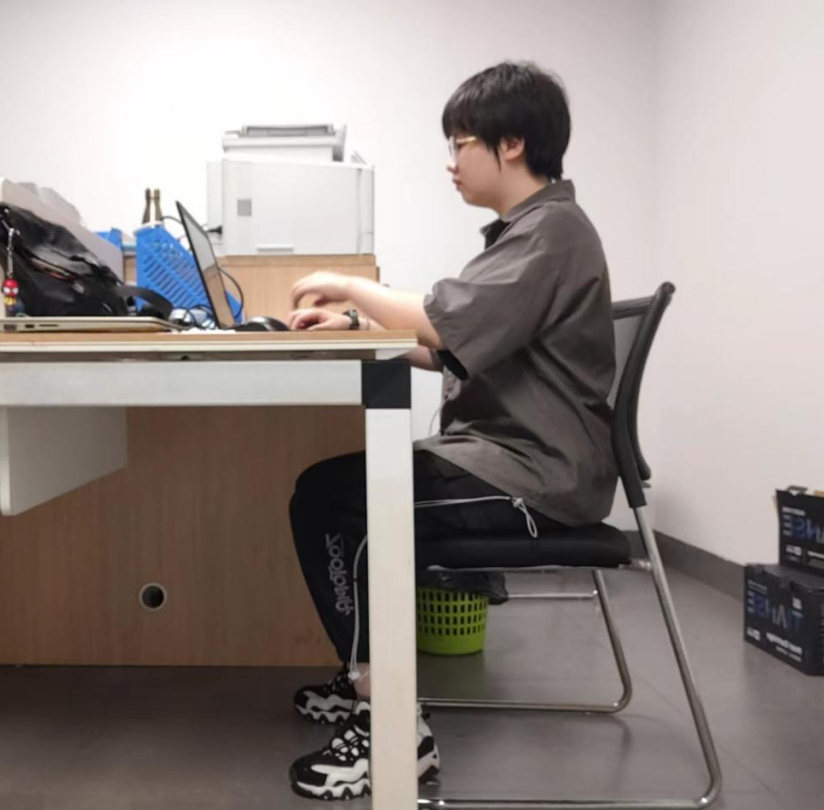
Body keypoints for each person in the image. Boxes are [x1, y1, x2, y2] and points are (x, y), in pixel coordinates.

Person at [284, 61, 618, 801]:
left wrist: (352, 286)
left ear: (511, 143)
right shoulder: (531, 233)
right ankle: (369, 679)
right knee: (332, 492)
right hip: (515, 458)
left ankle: (390, 722)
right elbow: (453, 347)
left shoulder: (553, 232)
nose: (451, 160)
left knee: (337, 502)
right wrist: (357, 326)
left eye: (460, 142)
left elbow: (442, 322)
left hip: (537, 475)